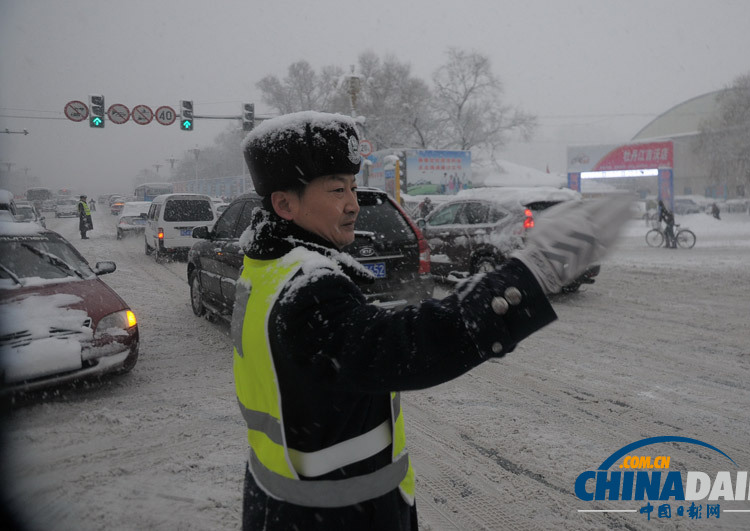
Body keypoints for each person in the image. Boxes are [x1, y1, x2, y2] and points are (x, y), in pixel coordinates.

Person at [234, 111, 630, 531]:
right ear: (285, 204)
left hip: (287, 505)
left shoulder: (268, 268)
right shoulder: (306, 289)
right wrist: (528, 277)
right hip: (334, 517)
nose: (353, 203)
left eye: (352, 186)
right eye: (336, 189)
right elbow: (403, 345)